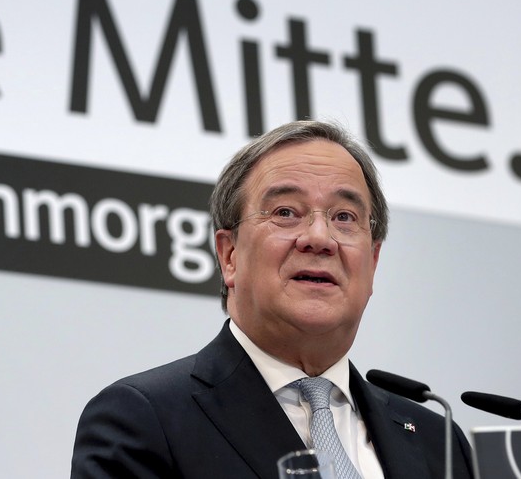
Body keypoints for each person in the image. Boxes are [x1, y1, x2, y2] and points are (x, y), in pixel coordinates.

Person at [70, 120, 474, 478]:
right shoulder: (144, 419)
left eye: (344, 217)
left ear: (372, 261)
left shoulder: (439, 442)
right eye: (285, 212)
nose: (319, 238)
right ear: (229, 256)